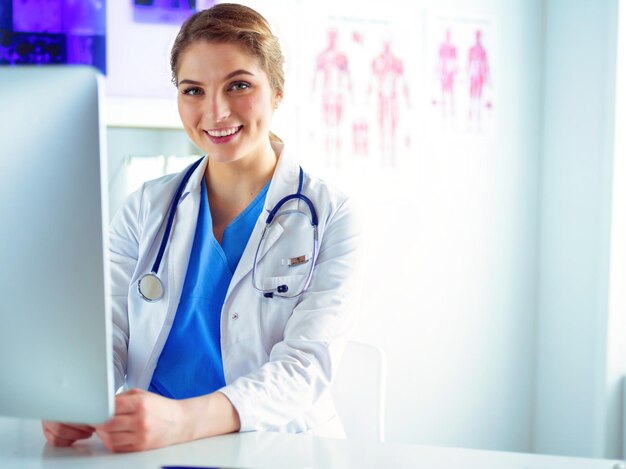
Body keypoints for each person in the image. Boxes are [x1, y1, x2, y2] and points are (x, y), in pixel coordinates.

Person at [42, 3, 361, 452]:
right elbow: (106, 334)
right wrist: (72, 395)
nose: (216, 111)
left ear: (278, 92)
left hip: (276, 449)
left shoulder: (332, 215)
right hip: (154, 449)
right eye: (193, 90)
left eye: (239, 85)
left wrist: (184, 419)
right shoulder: (144, 208)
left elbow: (304, 366)